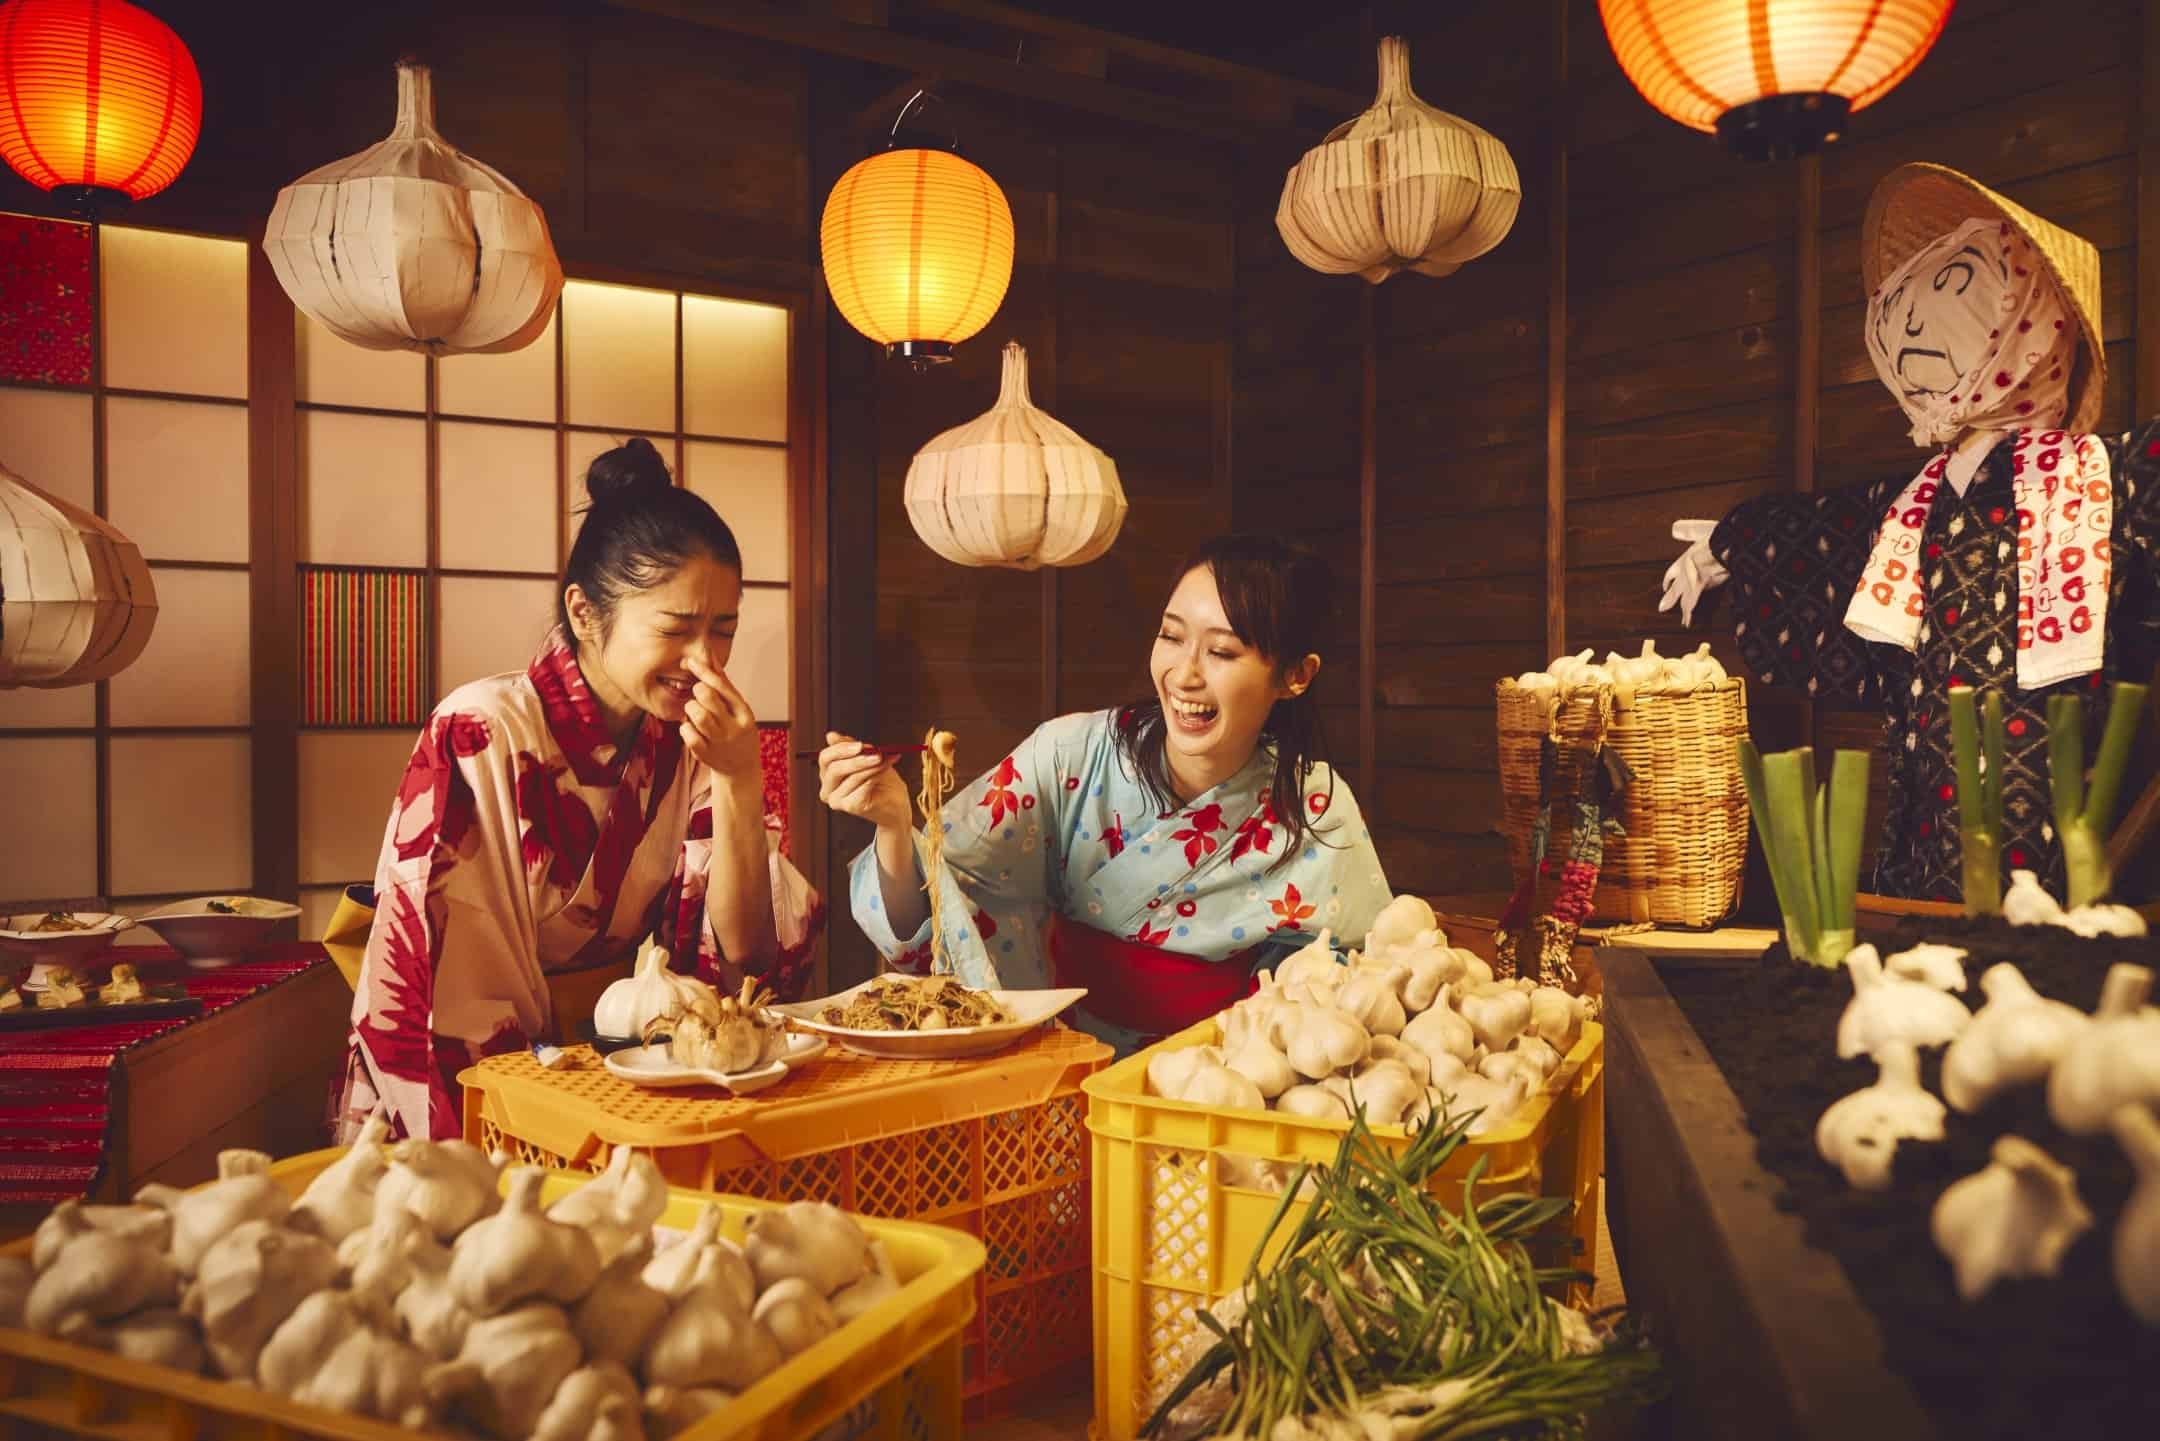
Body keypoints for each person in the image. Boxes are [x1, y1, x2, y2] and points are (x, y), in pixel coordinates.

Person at [1659, 162, 2160, 902]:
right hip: (1926, 797)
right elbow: (1826, 529)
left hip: (2060, 818)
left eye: (1959, 290)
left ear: (2027, 323)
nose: (1916, 323)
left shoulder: (2104, 476)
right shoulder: (1915, 502)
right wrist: (1730, 543)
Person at [338, 438, 822, 1141]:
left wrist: (739, 778)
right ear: (586, 612)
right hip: (488, 1096)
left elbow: (744, 954)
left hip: (632, 1083)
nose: (705, 661)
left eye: (724, 630)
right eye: (676, 628)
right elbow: (449, 998)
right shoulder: (480, 731)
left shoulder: (690, 741)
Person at [819, 533, 1391, 1052]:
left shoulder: (1313, 803)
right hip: (1060, 1059)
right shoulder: (1069, 754)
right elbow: (942, 899)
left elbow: (1352, 980)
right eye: (1171, 636)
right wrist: (894, 825)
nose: (1184, 673)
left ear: (1296, 675)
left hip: (1224, 1077)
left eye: (1221, 652)